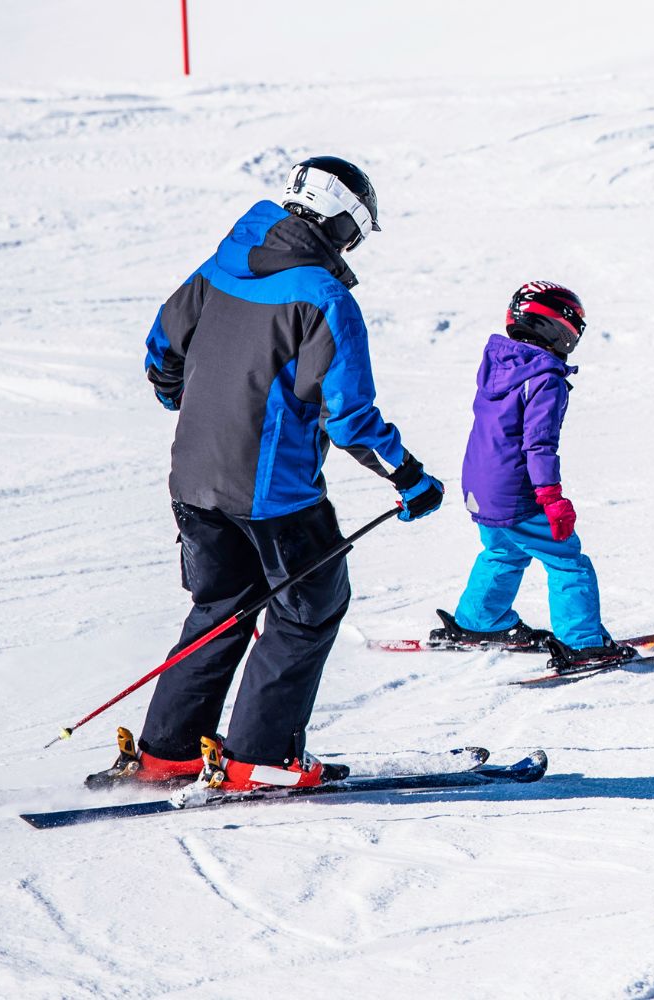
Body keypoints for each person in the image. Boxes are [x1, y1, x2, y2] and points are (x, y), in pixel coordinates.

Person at [94, 156, 445, 793]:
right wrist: (409, 476)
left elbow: (161, 347)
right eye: (356, 230)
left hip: (193, 480)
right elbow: (350, 418)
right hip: (273, 494)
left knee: (221, 605)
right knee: (309, 608)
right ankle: (260, 757)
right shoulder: (323, 298)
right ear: (340, 220)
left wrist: (186, 400)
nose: (352, 244)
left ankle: (168, 751)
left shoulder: (220, 264)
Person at [428, 281, 634, 670]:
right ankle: (583, 643)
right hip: (515, 492)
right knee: (568, 561)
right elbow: (539, 445)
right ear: (555, 325)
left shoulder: (500, 364)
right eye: (574, 325)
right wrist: (552, 498)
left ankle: (478, 621)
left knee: (503, 550)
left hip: (479, 486)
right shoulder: (546, 378)